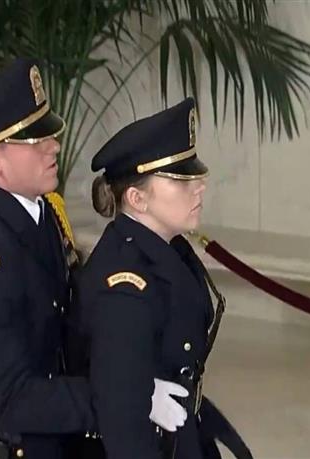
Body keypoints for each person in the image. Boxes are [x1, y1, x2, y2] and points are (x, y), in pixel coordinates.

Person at [0, 58, 188, 459]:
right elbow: (10, 399)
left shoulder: (42, 213)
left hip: (47, 436)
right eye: (34, 141)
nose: (53, 145)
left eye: (48, 134)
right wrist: (123, 396)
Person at [77, 97, 252, 459]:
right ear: (137, 199)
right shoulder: (125, 284)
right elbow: (123, 426)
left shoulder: (168, 248)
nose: (199, 186)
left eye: (195, 176)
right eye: (180, 180)